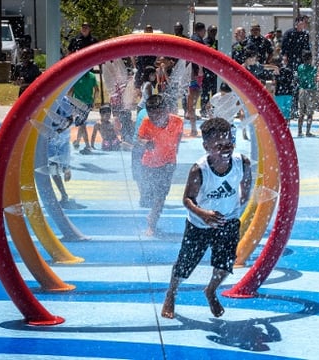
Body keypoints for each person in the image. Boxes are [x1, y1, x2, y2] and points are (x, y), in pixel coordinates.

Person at [161, 117, 252, 319]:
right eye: (219, 146)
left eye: (229, 143)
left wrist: (239, 202)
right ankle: (171, 294)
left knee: (225, 264)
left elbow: (246, 186)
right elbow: (187, 199)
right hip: (199, 224)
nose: (226, 149)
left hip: (228, 221)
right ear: (206, 146)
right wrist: (204, 214)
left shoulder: (242, 163)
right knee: (185, 264)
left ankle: (211, 290)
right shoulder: (199, 170)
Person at [137, 94, 183, 236]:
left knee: (161, 195)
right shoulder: (146, 121)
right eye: (152, 116)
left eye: (158, 115)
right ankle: (152, 220)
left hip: (168, 163)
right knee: (154, 195)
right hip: (149, 164)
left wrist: (175, 152)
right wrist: (146, 143)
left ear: (166, 110)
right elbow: (139, 139)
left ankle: (152, 220)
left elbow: (178, 137)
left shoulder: (177, 121)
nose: (155, 119)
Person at [71, 70, 99, 154]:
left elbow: (71, 91)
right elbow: (97, 90)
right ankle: (77, 142)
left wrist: (69, 101)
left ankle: (87, 146)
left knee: (82, 124)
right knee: (81, 123)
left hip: (77, 103)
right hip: (88, 104)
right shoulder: (92, 76)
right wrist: (93, 102)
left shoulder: (76, 75)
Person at [187, 22, 206, 136]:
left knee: (192, 104)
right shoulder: (198, 40)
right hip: (196, 75)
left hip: (194, 74)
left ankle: (193, 128)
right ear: (202, 30)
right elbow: (199, 56)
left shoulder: (192, 39)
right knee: (192, 104)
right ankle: (193, 129)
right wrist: (200, 69)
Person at [296, 50, 319, 137]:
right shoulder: (313, 69)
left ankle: (299, 131)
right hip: (311, 91)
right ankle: (308, 132)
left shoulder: (300, 67)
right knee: (310, 113)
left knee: (301, 113)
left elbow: (298, 78)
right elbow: (315, 80)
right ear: (310, 58)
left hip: (302, 90)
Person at [201, 25, 218, 117]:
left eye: (215, 31)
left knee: (215, 92)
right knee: (205, 92)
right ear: (208, 31)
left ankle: (214, 111)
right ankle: (204, 110)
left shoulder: (218, 43)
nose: (213, 32)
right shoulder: (204, 42)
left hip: (215, 72)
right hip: (206, 71)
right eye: (212, 31)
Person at [274, 56, 294, 124]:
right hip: (287, 94)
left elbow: (276, 82)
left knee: (279, 113)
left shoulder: (278, 70)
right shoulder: (290, 70)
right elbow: (291, 81)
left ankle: (280, 130)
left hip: (280, 94)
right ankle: (286, 130)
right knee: (286, 114)